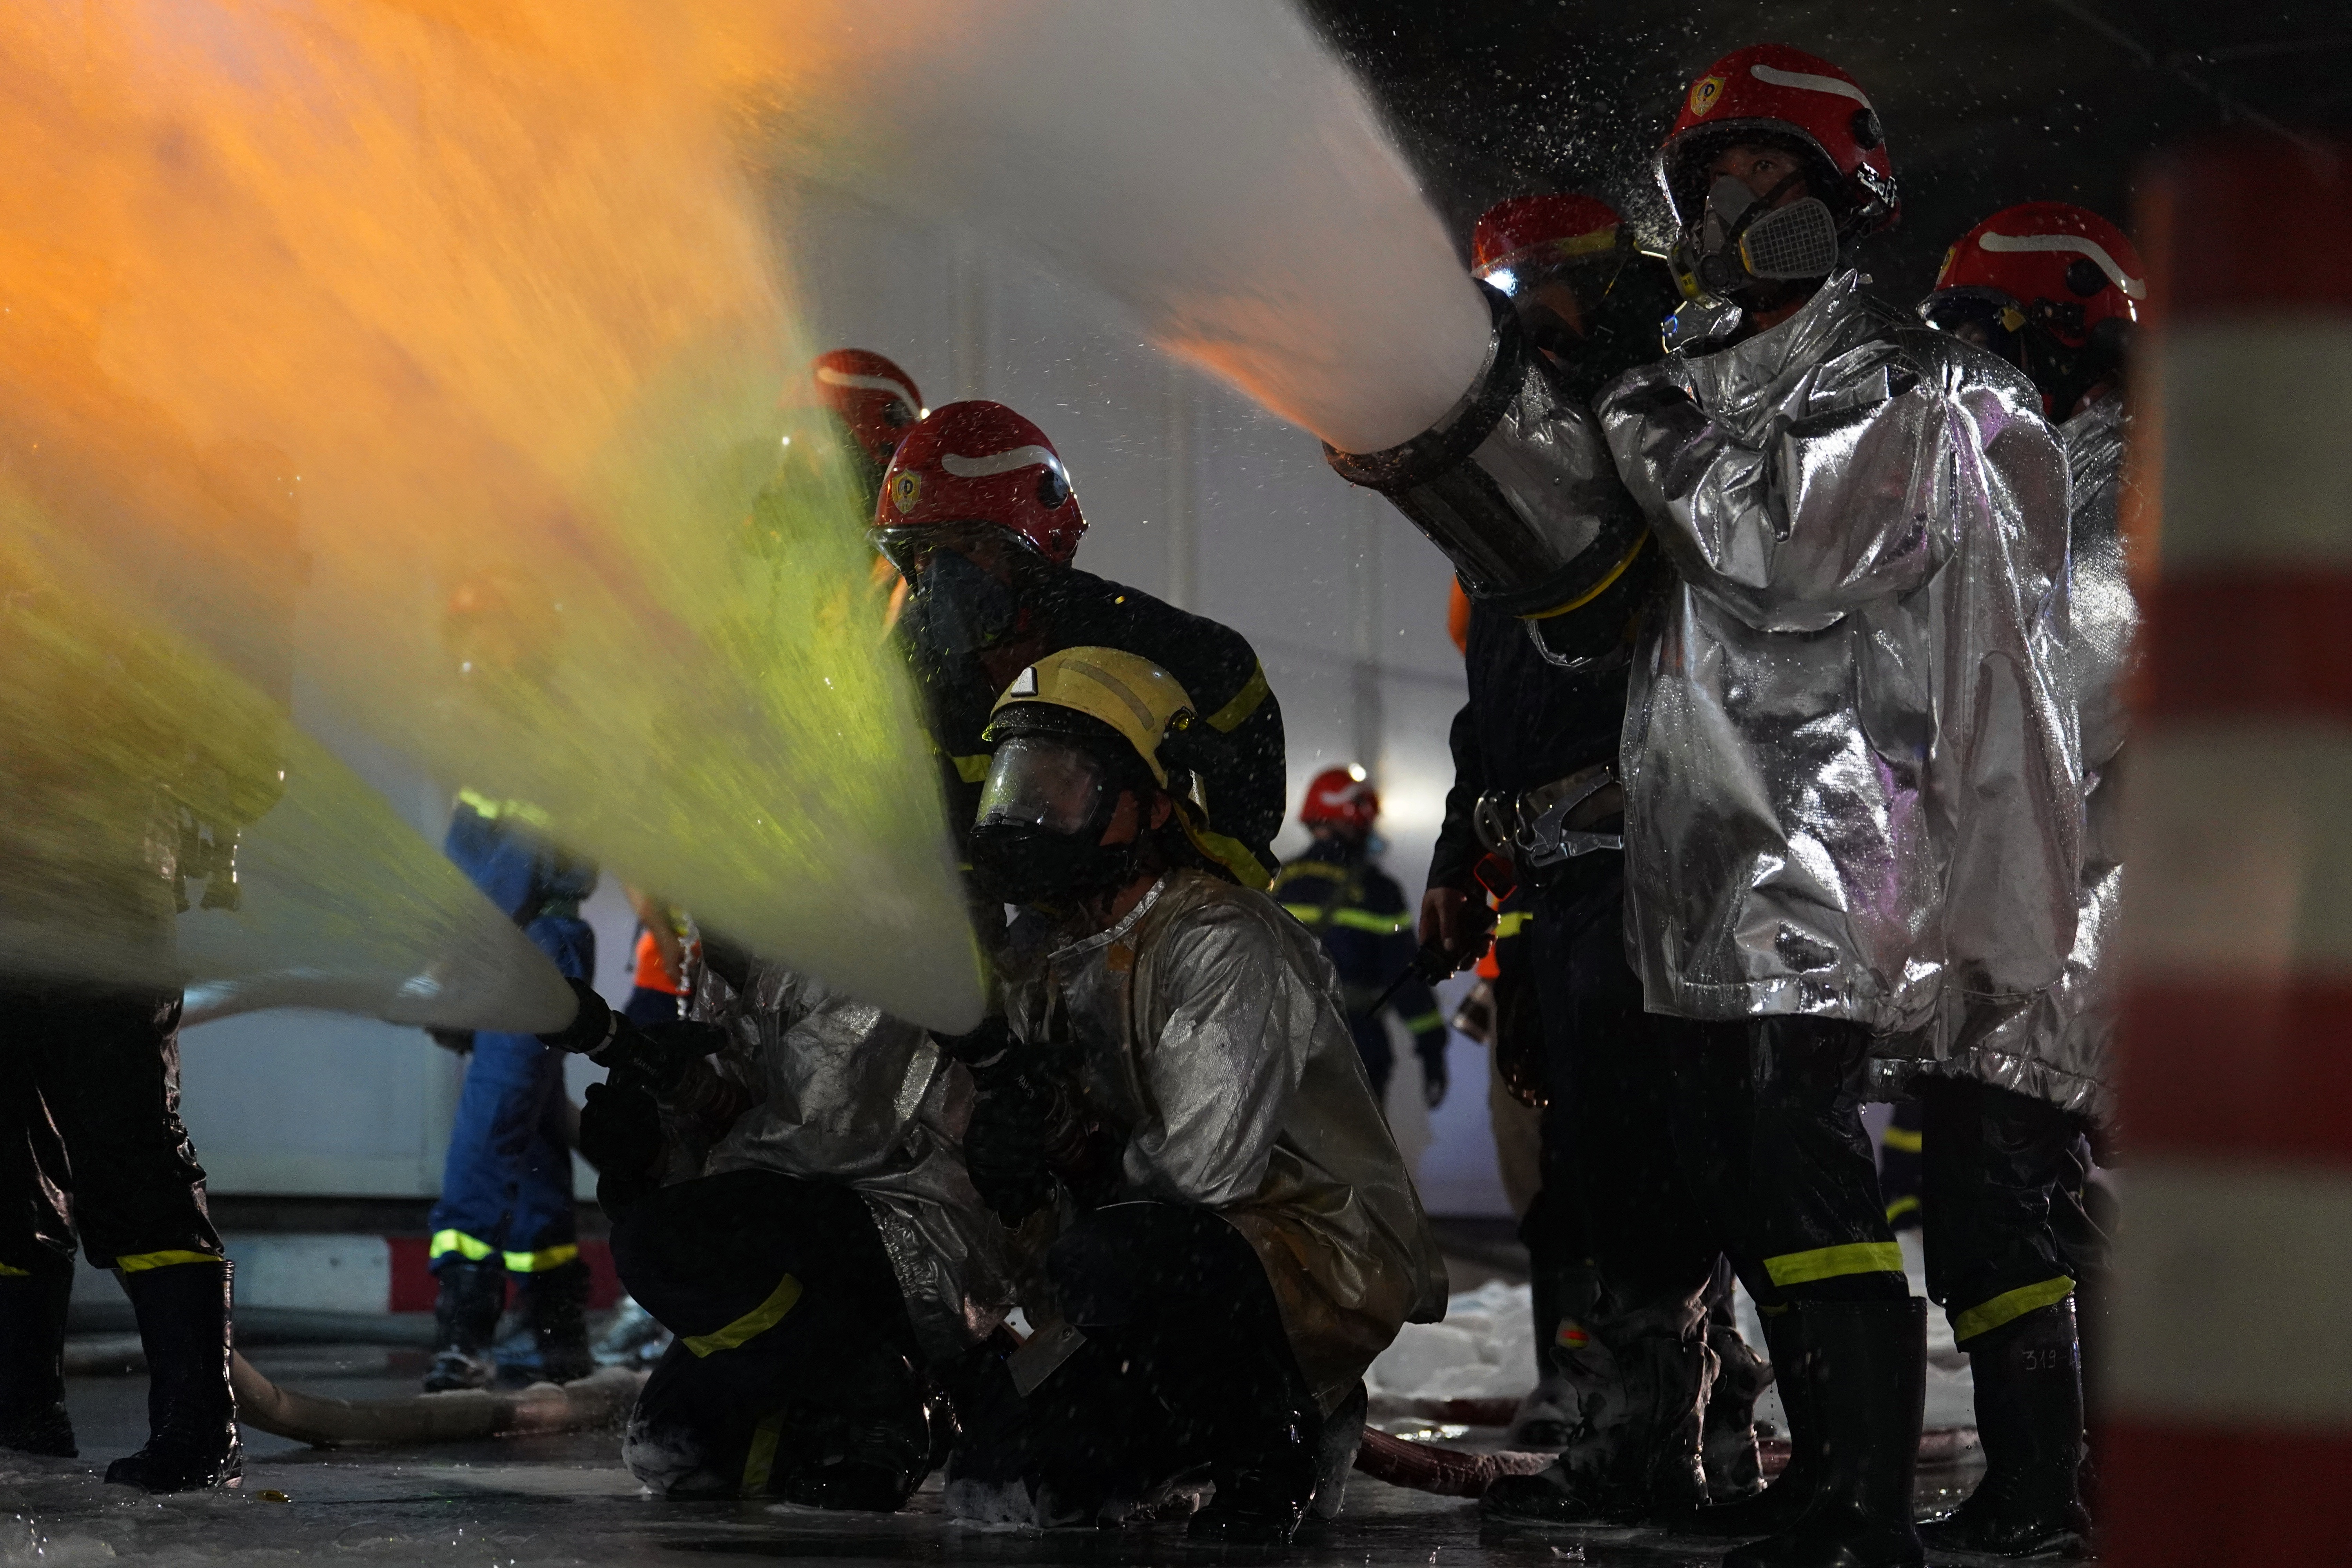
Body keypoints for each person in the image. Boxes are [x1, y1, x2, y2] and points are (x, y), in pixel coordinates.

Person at [1588, 46, 2078, 1568]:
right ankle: (1827, 1477)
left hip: (1826, 845)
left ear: (1842, 200)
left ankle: (1866, 1499)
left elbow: (1792, 553)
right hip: (1711, 852)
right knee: (1738, 1164)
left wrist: (1646, 426)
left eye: (1765, 175)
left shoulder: (1895, 379)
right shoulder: (1713, 381)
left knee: (1799, 1153)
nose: (1733, 208)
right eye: (1713, 182)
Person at [1398, 193, 1755, 1521]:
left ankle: (1688, 1431)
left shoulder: (1660, 430)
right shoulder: (1521, 492)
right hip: (1555, 881)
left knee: (1671, 1162)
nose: (1515, 317)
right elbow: (1491, 714)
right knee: (1599, 1169)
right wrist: (1459, 858)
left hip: (1651, 863)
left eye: (1536, 286)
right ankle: (1649, 1430)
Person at [942, 646, 1446, 1543]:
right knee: (1005, 1483)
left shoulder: (1221, 937)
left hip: (1304, 1252)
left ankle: (1276, 1444)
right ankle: (1201, 1423)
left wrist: (1074, 1154)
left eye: (1065, 786)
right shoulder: (1038, 955)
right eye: (1020, 784)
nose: (1031, 814)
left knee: (1126, 1252)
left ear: (1154, 805)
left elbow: (1206, 1169)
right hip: (1140, 1263)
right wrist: (1000, 1143)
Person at [1905, 200, 2144, 1558]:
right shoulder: (2058, 471)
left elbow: (2066, 693)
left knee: (1992, 1198)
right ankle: (2087, 1483)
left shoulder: (2114, 478)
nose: (1967, 375)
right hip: (2057, 898)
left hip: (2069, 905)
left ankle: (2040, 1491)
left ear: (2062, 330)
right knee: (2050, 1200)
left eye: (1983, 338)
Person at [0, 439, 297, 1493]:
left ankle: (200, 1428)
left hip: (100, 904)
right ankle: (21, 1418)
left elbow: (244, 755)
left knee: (129, 1156)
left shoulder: (144, 587)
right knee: (6, 1172)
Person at [551, 941, 1012, 1507]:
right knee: (672, 1450)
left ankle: (885, 1391)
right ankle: (893, 1398)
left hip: (902, 1234)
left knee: (660, 1243)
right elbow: (736, 1153)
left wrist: (685, 1116)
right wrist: (648, 1153)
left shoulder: (841, 953)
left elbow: (821, 1146)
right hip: (800, 1232)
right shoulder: (722, 970)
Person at [873, 401, 1285, 885]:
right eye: (925, 551)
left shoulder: (1167, 653)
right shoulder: (910, 673)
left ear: (1035, 550)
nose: (944, 578)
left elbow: (1243, 840)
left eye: (970, 544)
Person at [422, 788, 599, 1393]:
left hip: (522, 944)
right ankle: (554, 1334)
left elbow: (516, 862)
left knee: (488, 1135)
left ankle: (465, 1336)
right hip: (523, 940)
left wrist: (450, 962)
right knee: (533, 1135)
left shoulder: (526, 749)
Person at [1270, 766, 1448, 1110]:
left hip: (1284, 1050)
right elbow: (1405, 980)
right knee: (1357, 1144)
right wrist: (1432, 1048)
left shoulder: (1277, 881)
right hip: (1357, 1049)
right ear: (1354, 820)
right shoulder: (1379, 891)